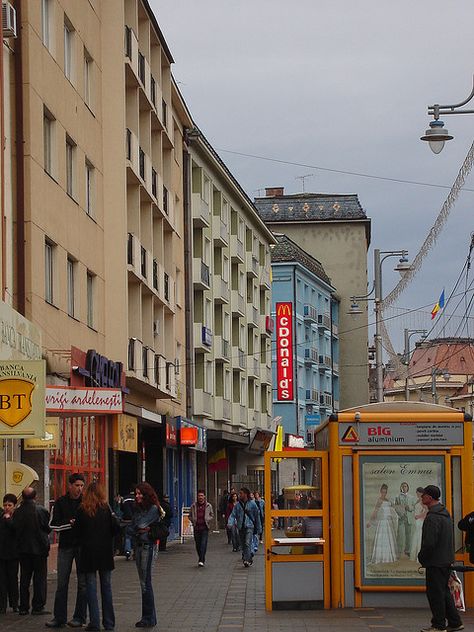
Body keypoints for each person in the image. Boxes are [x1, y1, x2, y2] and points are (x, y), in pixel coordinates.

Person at [418, 485, 463, 632]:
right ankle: (455, 622)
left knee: (435, 594)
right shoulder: (445, 514)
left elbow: (430, 542)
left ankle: (438, 625)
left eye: (423, 495)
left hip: (435, 561)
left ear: (429, 498)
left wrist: (422, 556)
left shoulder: (433, 518)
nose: (421, 497)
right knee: (443, 592)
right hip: (445, 560)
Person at [73, 482, 118, 632]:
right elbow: (115, 529)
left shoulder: (82, 510)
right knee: (107, 587)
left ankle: (94, 622)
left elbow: (77, 533)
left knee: (91, 588)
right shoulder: (106, 509)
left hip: (88, 552)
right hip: (105, 552)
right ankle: (109, 622)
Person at [47, 473, 87, 629]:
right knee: (62, 582)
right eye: (76, 485)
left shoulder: (86, 502)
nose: (79, 489)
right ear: (69, 486)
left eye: (82, 486)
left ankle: (79, 617)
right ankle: (59, 617)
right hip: (65, 546)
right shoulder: (60, 503)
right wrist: (69, 524)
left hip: (82, 546)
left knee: (83, 583)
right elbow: (53, 525)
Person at [128, 482, 163, 627]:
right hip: (139, 546)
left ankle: (148, 617)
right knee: (143, 582)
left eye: (139, 493)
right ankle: (149, 617)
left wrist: (141, 528)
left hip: (148, 547)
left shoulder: (153, 509)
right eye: (136, 493)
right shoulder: (138, 509)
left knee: (145, 582)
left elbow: (140, 524)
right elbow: (131, 528)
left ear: (146, 494)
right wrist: (139, 529)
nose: (137, 496)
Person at [12, 487, 51, 616]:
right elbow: (47, 528)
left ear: (22, 497)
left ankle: (23, 606)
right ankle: (38, 606)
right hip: (39, 549)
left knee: (24, 578)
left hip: (23, 550)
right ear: (35, 497)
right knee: (39, 578)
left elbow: (15, 530)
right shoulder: (41, 510)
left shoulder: (17, 512)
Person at [366, 484, 398, 565]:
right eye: (383, 492)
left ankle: (388, 557)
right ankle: (380, 557)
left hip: (388, 522)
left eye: (385, 492)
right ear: (380, 492)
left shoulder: (388, 500)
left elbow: (392, 509)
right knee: (381, 539)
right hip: (382, 522)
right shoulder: (379, 500)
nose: (384, 493)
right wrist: (370, 521)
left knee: (388, 538)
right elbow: (375, 511)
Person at [230, 487, 261, 568]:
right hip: (240, 527)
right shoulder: (237, 505)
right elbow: (233, 515)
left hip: (249, 526)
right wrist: (230, 523)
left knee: (247, 542)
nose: (239, 495)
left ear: (245, 494)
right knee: (243, 544)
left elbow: (257, 516)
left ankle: (247, 560)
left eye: (241, 493)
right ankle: (248, 557)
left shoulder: (252, 504)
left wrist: (259, 528)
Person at [0, 493, 19, 614]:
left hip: (13, 554)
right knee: (2, 580)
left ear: (14, 506)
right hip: (1, 553)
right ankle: (2, 605)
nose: (7, 507)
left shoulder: (16, 518)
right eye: (5, 505)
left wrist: (8, 519)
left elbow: (16, 530)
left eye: (9, 505)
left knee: (13, 579)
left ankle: (14, 604)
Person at [189, 490, 214, 567]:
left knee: (203, 544)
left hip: (204, 528)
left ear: (204, 496)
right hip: (196, 527)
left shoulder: (208, 506)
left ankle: (201, 560)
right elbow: (189, 515)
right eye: (199, 496)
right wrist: (193, 520)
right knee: (198, 545)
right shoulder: (193, 506)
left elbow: (212, 515)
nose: (200, 497)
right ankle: (201, 556)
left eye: (202, 495)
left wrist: (208, 519)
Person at [394, 482, 416, 558]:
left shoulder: (411, 497)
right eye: (403, 486)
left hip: (409, 519)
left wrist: (409, 507)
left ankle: (408, 551)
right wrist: (400, 513)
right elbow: (396, 507)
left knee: (409, 535)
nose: (404, 487)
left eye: (406, 486)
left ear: (408, 487)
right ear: (401, 488)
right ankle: (399, 552)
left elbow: (413, 507)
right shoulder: (397, 497)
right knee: (400, 535)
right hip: (401, 519)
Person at [410, 487, 428, 562]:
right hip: (417, 521)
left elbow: (427, 511)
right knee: (416, 537)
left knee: (420, 537)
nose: (417, 494)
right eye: (416, 492)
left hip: (420, 521)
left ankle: (420, 557)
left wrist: (419, 516)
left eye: (418, 492)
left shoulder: (423, 501)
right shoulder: (418, 500)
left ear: (421, 493)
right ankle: (416, 556)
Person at [121, 487, 136, 560]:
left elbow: (121, 508)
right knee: (134, 536)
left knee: (127, 537)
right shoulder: (135, 499)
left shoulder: (124, 499)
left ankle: (128, 552)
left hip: (126, 520)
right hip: (134, 520)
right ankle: (135, 552)